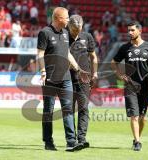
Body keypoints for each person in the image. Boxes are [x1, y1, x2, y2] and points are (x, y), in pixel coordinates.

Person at [37, 7, 89, 152]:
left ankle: (71, 142)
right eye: (66, 18)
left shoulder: (66, 33)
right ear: (58, 18)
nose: (68, 20)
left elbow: (67, 53)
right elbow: (40, 54)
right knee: (48, 111)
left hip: (66, 78)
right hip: (50, 79)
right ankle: (48, 142)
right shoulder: (44, 33)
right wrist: (42, 71)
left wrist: (78, 69)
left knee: (68, 110)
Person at [111, 21, 148, 151]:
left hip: (146, 86)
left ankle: (137, 136)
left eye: (132, 30)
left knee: (142, 117)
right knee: (134, 115)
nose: (130, 32)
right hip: (130, 86)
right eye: (128, 30)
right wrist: (120, 75)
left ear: (140, 31)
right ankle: (137, 142)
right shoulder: (124, 48)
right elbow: (114, 62)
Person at [68, 15, 98, 149]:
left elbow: (93, 56)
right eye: (74, 30)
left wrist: (95, 73)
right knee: (68, 110)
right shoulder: (63, 37)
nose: (77, 32)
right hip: (66, 78)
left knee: (84, 108)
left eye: (79, 29)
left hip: (84, 79)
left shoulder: (88, 37)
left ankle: (82, 138)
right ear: (69, 26)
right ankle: (71, 139)